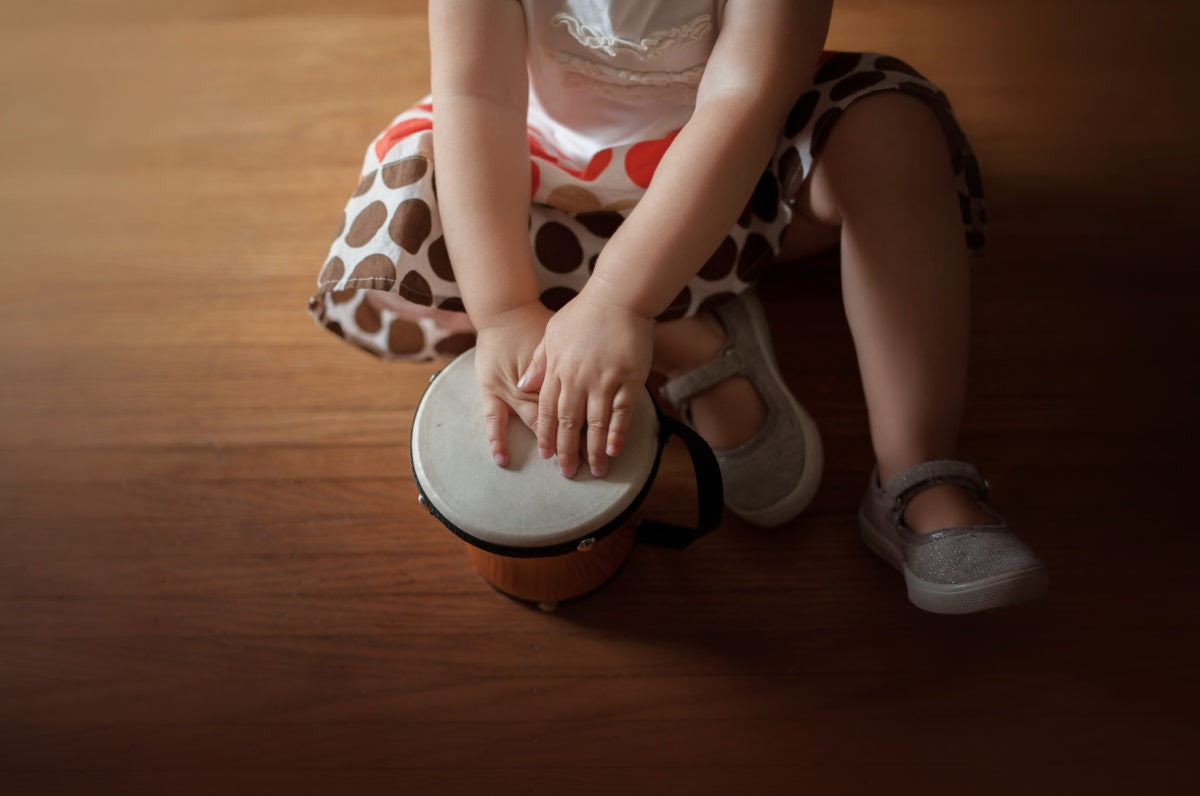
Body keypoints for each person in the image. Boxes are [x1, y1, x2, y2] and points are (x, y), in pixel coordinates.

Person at [307, 0, 1047, 613]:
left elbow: (743, 103)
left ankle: (916, 471)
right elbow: (479, 98)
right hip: (544, 173)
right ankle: (679, 337)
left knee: (890, 133)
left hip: (731, 179)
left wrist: (622, 297)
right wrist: (502, 310)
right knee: (402, 220)